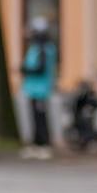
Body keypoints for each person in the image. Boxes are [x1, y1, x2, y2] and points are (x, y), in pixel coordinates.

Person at [20, 17, 58, 160]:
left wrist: (25, 69)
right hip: (33, 89)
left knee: (41, 119)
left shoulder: (44, 48)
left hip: (41, 89)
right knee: (35, 118)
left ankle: (44, 145)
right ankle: (36, 145)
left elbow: (40, 68)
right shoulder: (36, 47)